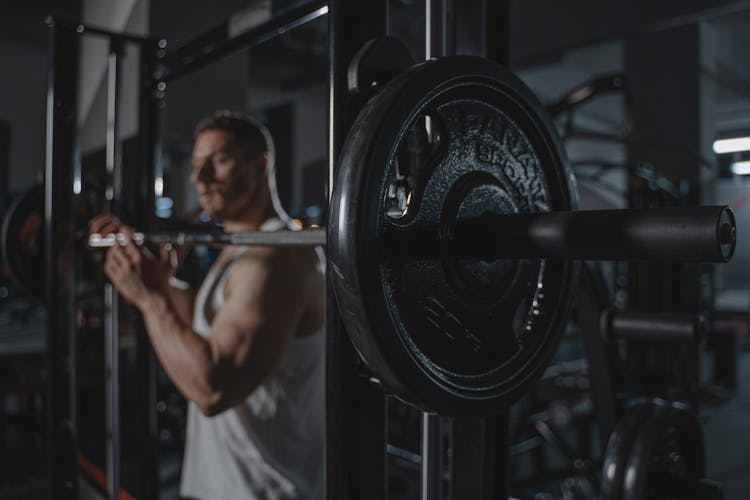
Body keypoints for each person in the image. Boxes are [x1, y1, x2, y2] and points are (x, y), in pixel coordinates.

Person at [90, 111, 326, 500]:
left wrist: (150, 299)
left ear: (259, 165)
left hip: (264, 491)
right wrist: (158, 282)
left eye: (218, 160)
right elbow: (212, 321)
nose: (200, 179)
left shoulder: (275, 257)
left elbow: (213, 388)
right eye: (197, 165)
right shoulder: (244, 248)